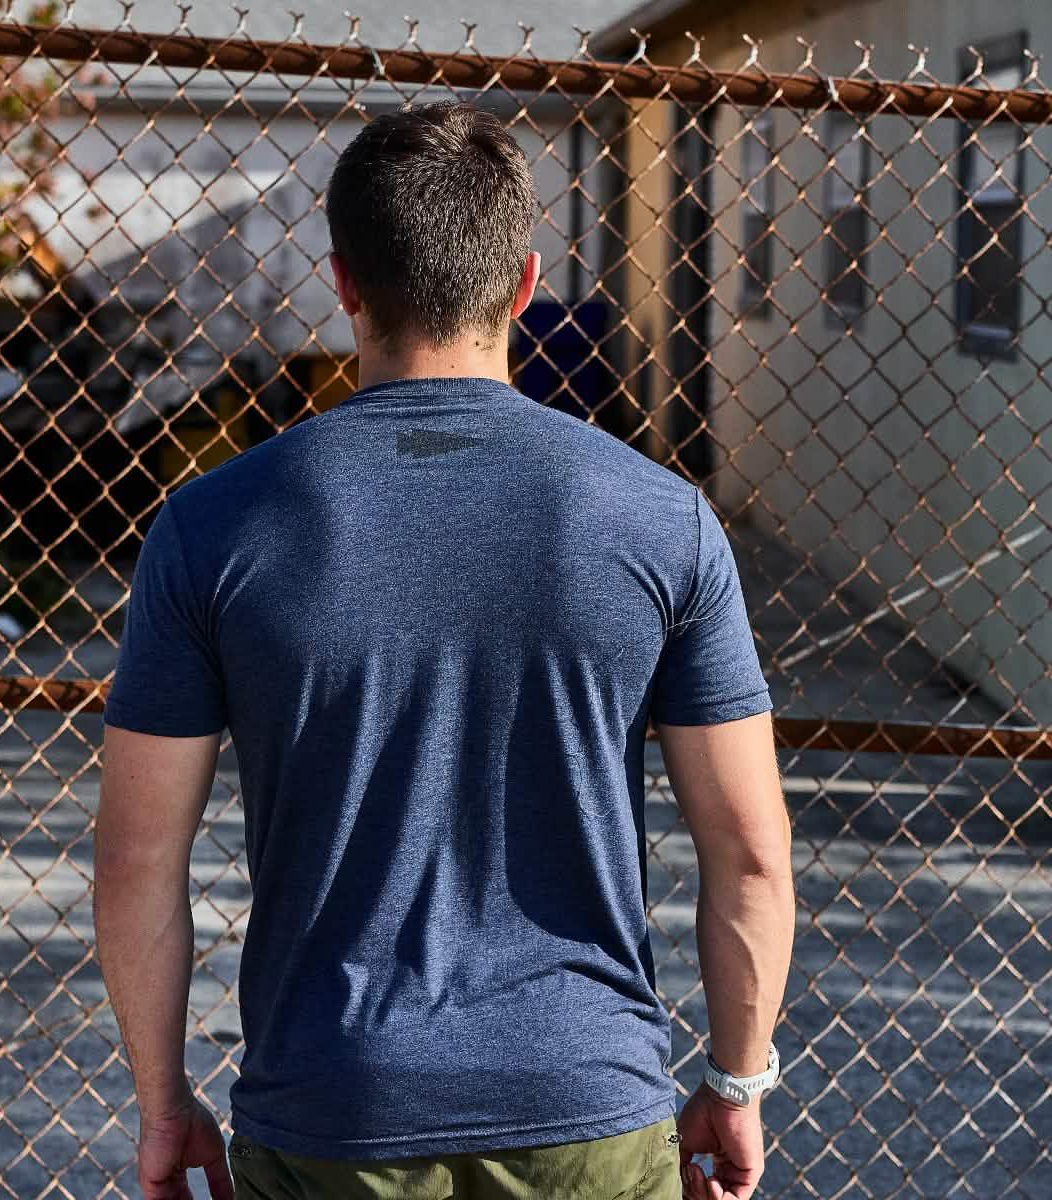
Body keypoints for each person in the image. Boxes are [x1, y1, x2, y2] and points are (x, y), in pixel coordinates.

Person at [93, 100, 795, 1200]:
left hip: (330, 1109)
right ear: (522, 285)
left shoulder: (212, 527)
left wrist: (164, 1106)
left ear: (343, 285)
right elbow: (751, 855)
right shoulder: (663, 521)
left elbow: (138, 861)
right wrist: (738, 1082)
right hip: (588, 1113)